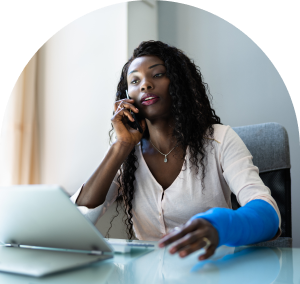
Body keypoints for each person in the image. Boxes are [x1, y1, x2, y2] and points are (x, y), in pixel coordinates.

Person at [71, 40, 281, 261]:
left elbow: (268, 214)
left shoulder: (220, 139)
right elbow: (77, 222)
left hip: (212, 271)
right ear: (126, 97)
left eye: (158, 74)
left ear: (179, 82)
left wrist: (219, 225)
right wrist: (120, 146)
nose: (145, 85)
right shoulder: (127, 154)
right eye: (135, 80)